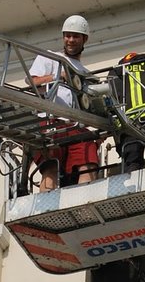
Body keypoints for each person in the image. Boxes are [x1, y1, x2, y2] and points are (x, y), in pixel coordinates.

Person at [29, 15, 99, 191]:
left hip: (74, 124)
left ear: (85, 39)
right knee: (51, 166)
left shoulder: (86, 74)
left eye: (75, 36)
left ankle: (84, 203)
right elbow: (32, 82)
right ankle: (46, 207)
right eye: (67, 35)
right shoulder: (50, 57)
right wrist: (57, 76)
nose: (71, 40)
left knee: (88, 161)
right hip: (50, 119)